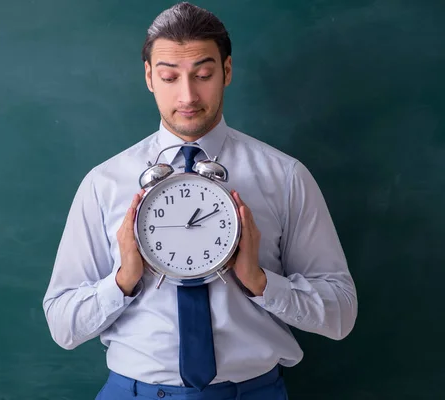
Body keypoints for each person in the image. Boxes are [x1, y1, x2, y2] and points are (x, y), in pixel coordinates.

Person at [42, 2, 358, 399]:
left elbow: (341, 314)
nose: (188, 95)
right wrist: (123, 281)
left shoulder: (285, 176)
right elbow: (62, 325)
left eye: (203, 74)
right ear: (149, 77)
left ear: (226, 71)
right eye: (170, 77)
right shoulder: (104, 183)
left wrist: (259, 282)